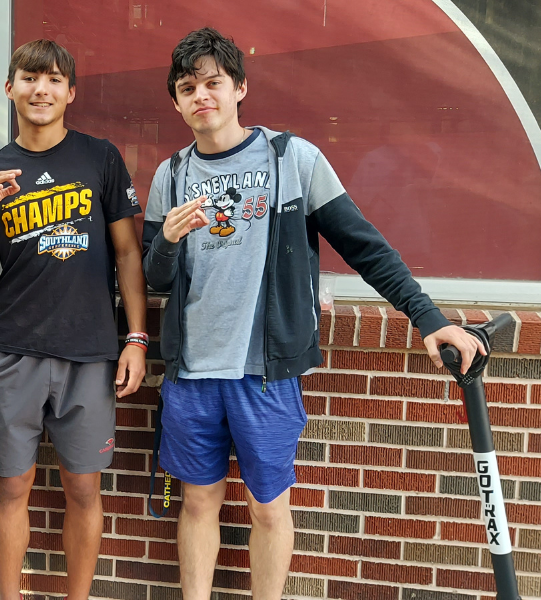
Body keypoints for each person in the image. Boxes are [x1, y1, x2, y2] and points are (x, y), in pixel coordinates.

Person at [141, 28, 487, 600]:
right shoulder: (170, 175)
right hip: (192, 373)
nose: (201, 95)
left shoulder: (292, 159)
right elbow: (157, 279)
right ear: (176, 102)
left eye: (213, 83)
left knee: (269, 508)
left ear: (239, 88)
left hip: (265, 376)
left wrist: (427, 317)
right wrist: (168, 242)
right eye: (187, 88)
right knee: (198, 502)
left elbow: (364, 246)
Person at [0, 39, 148, 600]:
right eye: (29, 77)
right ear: (10, 88)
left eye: (53, 79)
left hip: (89, 351)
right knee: (11, 487)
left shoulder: (100, 157)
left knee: (83, 489)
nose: (40, 89)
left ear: (70, 92)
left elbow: (128, 254)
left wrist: (136, 338)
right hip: (14, 349)